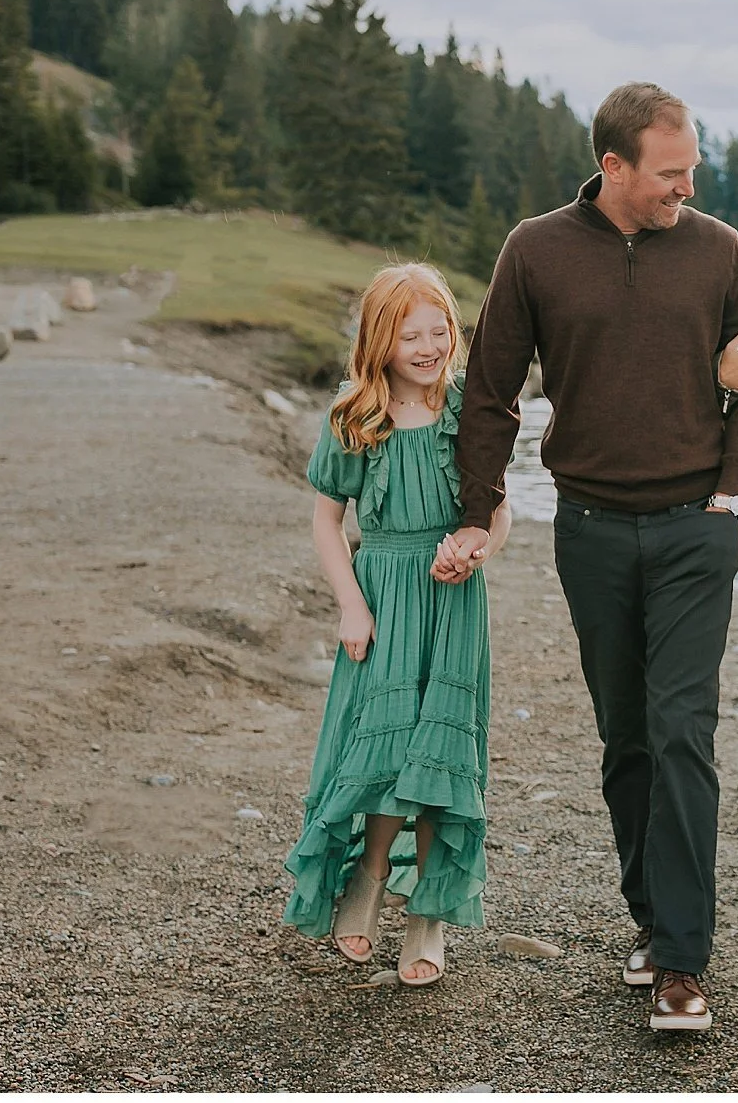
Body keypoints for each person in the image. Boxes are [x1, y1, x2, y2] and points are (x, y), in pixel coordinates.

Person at [439, 81, 738, 1032]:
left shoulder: (717, 249)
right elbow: (492, 394)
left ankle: (681, 959)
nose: (689, 185)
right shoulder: (535, 251)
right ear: (615, 165)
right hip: (588, 529)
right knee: (626, 736)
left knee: (682, 729)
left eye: (693, 167)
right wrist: (479, 508)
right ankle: (650, 917)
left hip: (692, 529)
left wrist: (729, 493)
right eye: (672, 171)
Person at [282, 262, 513, 988]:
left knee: (439, 753)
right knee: (382, 749)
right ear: (379, 340)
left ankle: (429, 913)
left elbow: (497, 510)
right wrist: (351, 603)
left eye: (439, 328)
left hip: (451, 602)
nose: (427, 343)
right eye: (409, 332)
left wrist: (476, 548)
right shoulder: (356, 415)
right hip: (383, 597)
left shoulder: (468, 408)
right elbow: (326, 521)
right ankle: (369, 880)